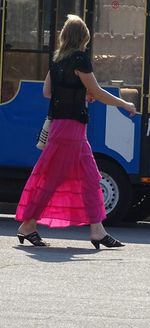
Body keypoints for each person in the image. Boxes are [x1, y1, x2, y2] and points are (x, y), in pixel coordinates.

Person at [16, 14, 136, 249]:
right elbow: (98, 92)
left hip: (67, 129)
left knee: (91, 179)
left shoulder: (58, 60)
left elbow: (47, 92)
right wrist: (124, 103)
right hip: (70, 129)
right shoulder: (80, 59)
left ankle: (97, 231)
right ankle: (27, 226)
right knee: (51, 179)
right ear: (83, 37)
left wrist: (79, 92)